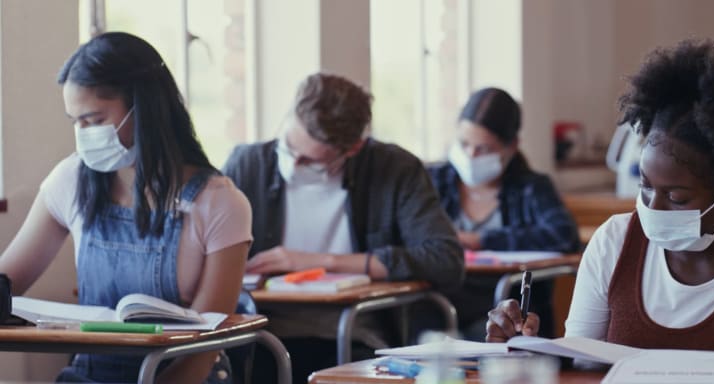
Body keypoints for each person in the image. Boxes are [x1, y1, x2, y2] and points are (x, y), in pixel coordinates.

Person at [486, 40, 714, 361]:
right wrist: (528, 354)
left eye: (677, 197)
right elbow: (582, 367)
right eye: (645, 187)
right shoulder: (614, 243)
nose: (653, 207)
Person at [0, 32, 251, 383]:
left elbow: (203, 351)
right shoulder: (71, 180)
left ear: (144, 107)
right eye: (76, 122)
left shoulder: (220, 202)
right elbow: (7, 282)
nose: (84, 134)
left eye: (94, 120)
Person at [223, 72, 464, 383]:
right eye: (288, 148)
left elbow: (446, 260)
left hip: (355, 331)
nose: (292, 164)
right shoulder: (248, 164)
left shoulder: (394, 169)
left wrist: (323, 262)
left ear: (352, 150)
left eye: (309, 161)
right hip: (262, 330)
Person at [428, 87, 580, 340]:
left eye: (483, 149)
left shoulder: (532, 188)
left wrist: (482, 240)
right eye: (464, 144)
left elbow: (563, 235)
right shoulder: (436, 181)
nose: (470, 156)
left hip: (507, 305)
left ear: (511, 147)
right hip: (441, 301)